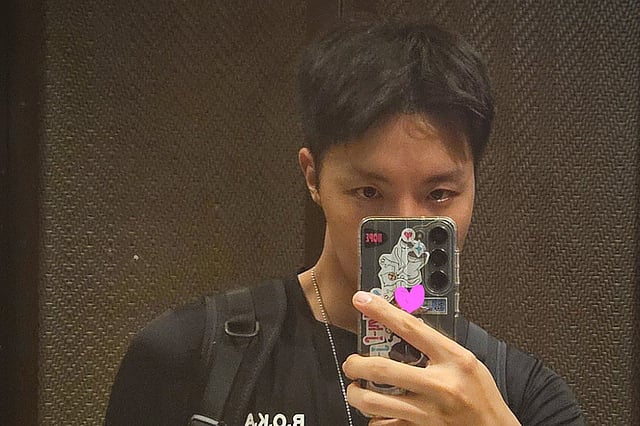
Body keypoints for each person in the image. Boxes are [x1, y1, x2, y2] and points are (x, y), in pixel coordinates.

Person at [105, 19, 583, 425]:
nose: (406, 229)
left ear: (475, 185)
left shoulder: (525, 397)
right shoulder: (186, 357)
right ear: (313, 177)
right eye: (369, 192)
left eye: (439, 195)